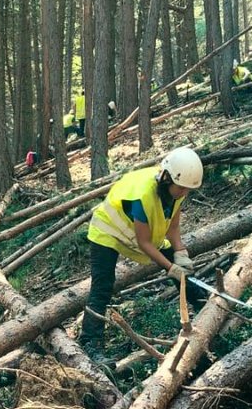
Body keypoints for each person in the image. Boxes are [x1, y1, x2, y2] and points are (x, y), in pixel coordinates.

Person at [80, 146, 204, 357]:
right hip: (107, 232)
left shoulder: (178, 189)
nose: (184, 193)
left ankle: (202, 303)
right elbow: (144, 243)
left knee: (176, 262)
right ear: (166, 178)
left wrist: (180, 253)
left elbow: (173, 228)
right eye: (181, 188)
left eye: (187, 189)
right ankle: (90, 342)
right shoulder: (143, 195)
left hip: (135, 234)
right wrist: (171, 268)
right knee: (103, 285)